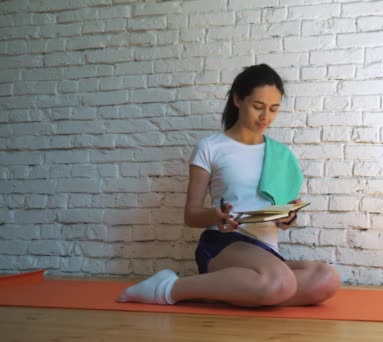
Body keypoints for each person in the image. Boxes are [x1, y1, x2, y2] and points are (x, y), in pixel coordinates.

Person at [118, 64, 340, 307]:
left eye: (274, 109)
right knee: (281, 282)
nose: (266, 117)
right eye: (258, 107)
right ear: (237, 99)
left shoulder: (281, 154)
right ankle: (168, 287)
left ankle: (239, 289)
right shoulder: (210, 148)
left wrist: (287, 218)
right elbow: (191, 215)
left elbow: (283, 211)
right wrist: (216, 215)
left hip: (266, 253)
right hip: (224, 244)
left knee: (326, 279)